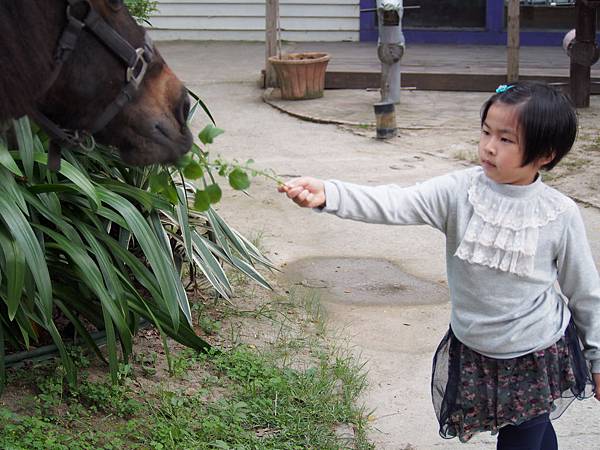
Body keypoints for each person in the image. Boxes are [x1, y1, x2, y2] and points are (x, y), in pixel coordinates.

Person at [278, 81, 599, 449]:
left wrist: (598, 356)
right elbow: (396, 202)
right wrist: (330, 193)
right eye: (486, 132)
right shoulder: (460, 192)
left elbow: (584, 291)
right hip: (476, 346)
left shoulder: (558, 213)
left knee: (523, 432)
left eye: (506, 139)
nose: (489, 146)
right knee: (530, 428)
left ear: (546, 154)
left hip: (535, 349)